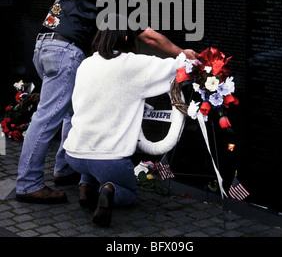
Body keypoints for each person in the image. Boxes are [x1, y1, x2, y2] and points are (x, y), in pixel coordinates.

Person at [16, 0, 197, 204]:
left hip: (44, 46)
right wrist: (182, 53)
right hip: (66, 52)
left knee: (70, 111)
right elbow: (147, 36)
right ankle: (28, 184)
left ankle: (64, 170)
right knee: (47, 118)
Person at [63, 14, 189, 227]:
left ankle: (85, 186)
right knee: (129, 193)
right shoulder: (132, 64)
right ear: (125, 37)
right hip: (109, 159)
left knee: (90, 162)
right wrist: (191, 56)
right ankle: (108, 190)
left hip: (74, 154)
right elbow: (176, 68)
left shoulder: (86, 64)